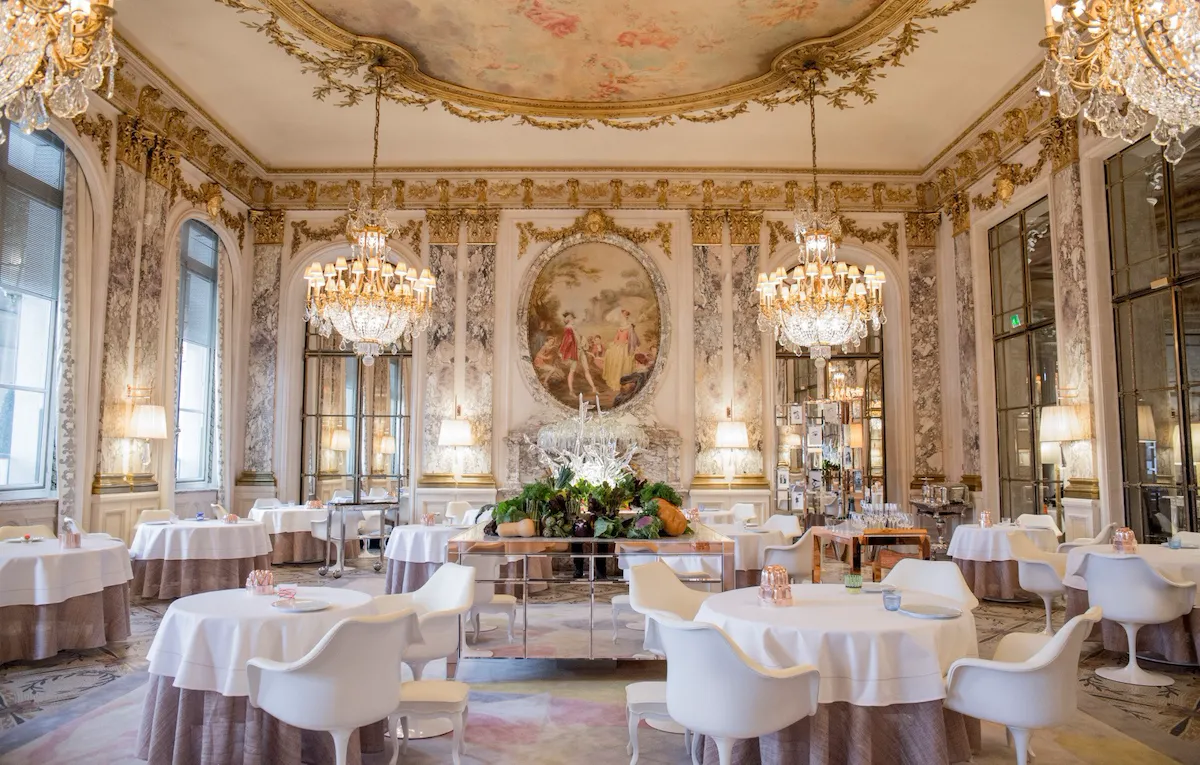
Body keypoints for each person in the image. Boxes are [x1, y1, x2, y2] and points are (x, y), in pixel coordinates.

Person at [559, 312, 599, 397]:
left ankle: (593, 388)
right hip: (575, 352)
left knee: (586, 370)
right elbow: (567, 341)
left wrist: (582, 339)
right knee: (572, 371)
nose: (574, 320)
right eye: (572, 318)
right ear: (569, 320)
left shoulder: (573, 328)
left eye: (573, 318)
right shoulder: (568, 328)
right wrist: (563, 351)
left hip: (581, 351)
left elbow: (576, 338)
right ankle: (571, 391)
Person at [602, 308, 640, 391]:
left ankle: (625, 382)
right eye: (621, 316)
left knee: (623, 363)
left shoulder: (630, 327)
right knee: (612, 356)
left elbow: (633, 339)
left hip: (625, 347)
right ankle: (616, 382)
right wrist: (617, 342)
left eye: (623, 316)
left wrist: (626, 342)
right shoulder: (620, 328)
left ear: (626, 317)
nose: (621, 318)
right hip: (619, 346)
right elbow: (616, 338)